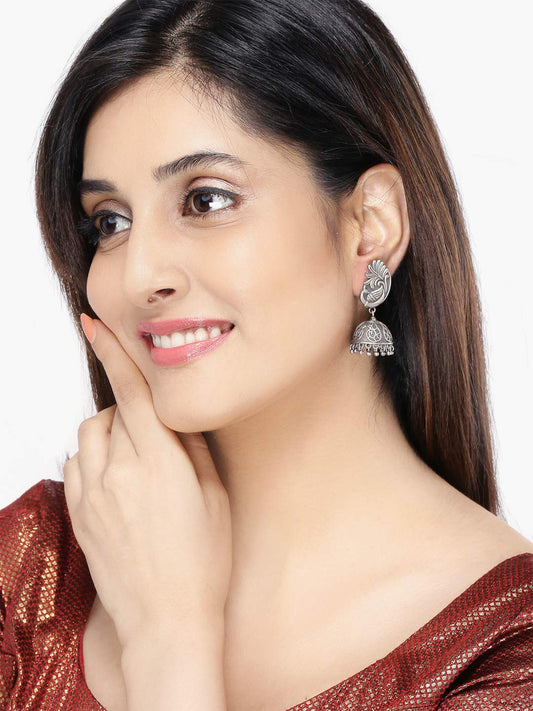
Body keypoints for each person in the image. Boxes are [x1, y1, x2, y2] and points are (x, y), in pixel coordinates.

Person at [1, 0, 532, 709]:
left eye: (206, 200)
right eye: (110, 222)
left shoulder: (503, 652)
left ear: (369, 226)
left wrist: (169, 640)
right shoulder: (30, 572)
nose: (136, 276)